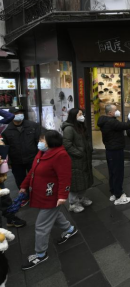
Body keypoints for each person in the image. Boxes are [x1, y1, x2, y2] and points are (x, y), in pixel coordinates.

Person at [19, 131, 77, 270]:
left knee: (41, 226)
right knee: (54, 214)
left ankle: (40, 254)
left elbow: (65, 177)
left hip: (51, 195)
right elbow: (33, 171)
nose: (40, 142)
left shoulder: (61, 155)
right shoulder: (42, 153)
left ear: (51, 141)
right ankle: (69, 229)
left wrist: (63, 195)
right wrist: (24, 186)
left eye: (43, 140)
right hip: (41, 194)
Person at [98, 104, 130, 206]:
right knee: (118, 172)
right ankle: (118, 196)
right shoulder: (111, 122)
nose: (117, 111)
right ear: (110, 113)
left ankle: (113, 192)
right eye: (115, 110)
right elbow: (127, 126)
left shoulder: (104, 121)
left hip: (110, 149)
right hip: (115, 150)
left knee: (113, 172)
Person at [2, 106, 43, 190]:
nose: (19, 115)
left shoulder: (33, 126)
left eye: (21, 113)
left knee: (36, 178)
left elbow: (39, 141)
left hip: (32, 158)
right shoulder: (6, 129)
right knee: (20, 180)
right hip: (16, 160)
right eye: (16, 113)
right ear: (11, 115)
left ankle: (35, 196)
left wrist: (40, 157)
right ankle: (24, 197)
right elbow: (5, 147)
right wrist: (8, 162)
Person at [62, 108, 93, 213]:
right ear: (73, 116)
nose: (82, 116)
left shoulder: (80, 126)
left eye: (82, 114)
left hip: (84, 158)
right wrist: (79, 153)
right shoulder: (69, 129)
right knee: (75, 182)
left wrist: (89, 149)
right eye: (80, 114)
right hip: (76, 160)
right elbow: (67, 145)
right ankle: (73, 203)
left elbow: (87, 139)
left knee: (83, 180)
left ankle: (81, 198)